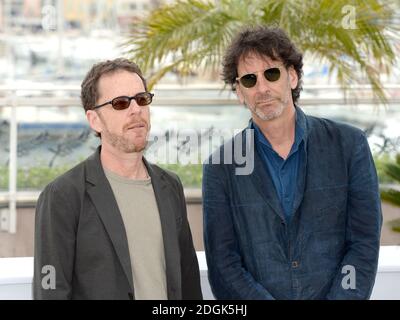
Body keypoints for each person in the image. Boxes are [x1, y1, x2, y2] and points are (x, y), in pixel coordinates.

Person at [202, 26, 382, 300]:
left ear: (293, 77)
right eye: (249, 80)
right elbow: (223, 263)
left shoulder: (349, 145)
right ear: (240, 92)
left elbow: (363, 243)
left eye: (271, 73)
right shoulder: (220, 167)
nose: (262, 88)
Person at [33, 58, 202, 300]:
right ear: (94, 120)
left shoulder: (170, 186)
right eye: (121, 103)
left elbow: (189, 281)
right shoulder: (62, 196)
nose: (136, 110)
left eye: (142, 99)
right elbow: (50, 289)